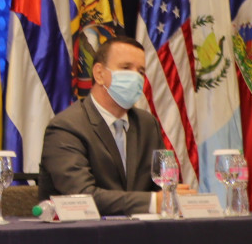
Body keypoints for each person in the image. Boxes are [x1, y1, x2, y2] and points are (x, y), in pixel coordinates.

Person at [40, 34, 172, 215]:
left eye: (141, 72)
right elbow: (82, 196)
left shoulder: (147, 124)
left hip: (141, 230)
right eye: (126, 68)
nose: (136, 77)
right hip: (82, 231)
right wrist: (152, 202)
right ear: (99, 74)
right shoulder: (66, 127)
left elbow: (164, 185)